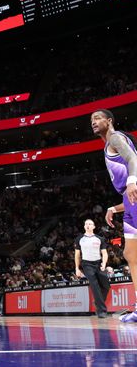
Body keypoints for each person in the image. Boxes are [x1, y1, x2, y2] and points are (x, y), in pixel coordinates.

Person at [92, 109, 137, 323]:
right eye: (91, 120)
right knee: (131, 255)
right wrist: (114, 208)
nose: (94, 122)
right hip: (130, 202)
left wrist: (131, 181)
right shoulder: (107, 144)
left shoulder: (116, 137)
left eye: (98, 118)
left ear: (109, 121)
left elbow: (132, 158)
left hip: (134, 193)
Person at [75, 219, 111, 318]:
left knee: (106, 286)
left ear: (94, 227)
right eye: (86, 224)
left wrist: (103, 263)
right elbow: (77, 255)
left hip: (99, 263)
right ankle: (102, 311)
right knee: (95, 286)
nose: (88, 225)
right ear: (84, 226)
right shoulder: (79, 239)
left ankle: (98, 302)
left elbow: (104, 253)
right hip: (87, 264)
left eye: (90, 224)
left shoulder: (99, 239)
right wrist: (77, 268)